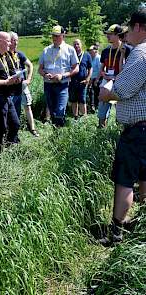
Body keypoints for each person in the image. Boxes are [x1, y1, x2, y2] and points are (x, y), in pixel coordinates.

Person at [99, 8, 146, 244]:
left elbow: (121, 89)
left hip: (139, 130)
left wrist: (105, 93)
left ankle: (116, 231)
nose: (127, 34)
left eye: (130, 29)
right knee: (145, 176)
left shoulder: (141, 54)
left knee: (125, 179)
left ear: (138, 27)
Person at [38, 25, 79, 127]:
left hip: (62, 85)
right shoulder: (46, 50)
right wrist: (45, 74)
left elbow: (76, 68)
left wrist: (63, 76)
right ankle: (56, 133)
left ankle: (60, 132)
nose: (54, 38)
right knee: (53, 113)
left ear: (63, 35)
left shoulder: (70, 49)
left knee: (60, 111)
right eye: (53, 36)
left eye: (57, 36)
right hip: (48, 85)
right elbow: (40, 69)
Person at [96, 24, 131, 128]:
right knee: (102, 108)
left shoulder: (126, 49)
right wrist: (103, 75)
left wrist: (116, 77)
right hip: (107, 81)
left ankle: (119, 132)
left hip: (120, 83)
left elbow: (127, 70)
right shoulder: (105, 51)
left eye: (110, 34)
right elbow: (101, 69)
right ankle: (101, 130)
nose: (107, 36)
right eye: (107, 34)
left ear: (117, 35)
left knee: (120, 110)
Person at [8, 31, 39, 137]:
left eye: (17, 40)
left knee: (27, 106)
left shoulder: (19, 54)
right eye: (13, 40)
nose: (15, 43)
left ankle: (33, 128)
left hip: (22, 85)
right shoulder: (5, 55)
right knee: (13, 109)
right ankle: (14, 131)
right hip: (11, 87)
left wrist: (29, 79)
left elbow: (30, 65)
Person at [69, 39, 92, 119]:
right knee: (73, 100)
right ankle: (75, 117)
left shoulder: (86, 55)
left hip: (82, 82)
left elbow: (90, 68)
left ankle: (84, 118)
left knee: (82, 100)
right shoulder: (70, 55)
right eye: (74, 44)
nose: (76, 46)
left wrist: (88, 78)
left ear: (81, 45)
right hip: (72, 81)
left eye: (78, 44)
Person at [88, 45, 101, 113]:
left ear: (95, 50)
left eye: (91, 50)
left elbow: (100, 70)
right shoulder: (91, 58)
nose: (90, 51)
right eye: (89, 50)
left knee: (97, 92)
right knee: (91, 92)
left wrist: (96, 80)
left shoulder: (98, 58)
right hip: (92, 78)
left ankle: (97, 107)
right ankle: (93, 106)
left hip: (98, 78)